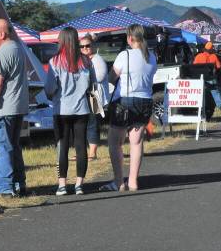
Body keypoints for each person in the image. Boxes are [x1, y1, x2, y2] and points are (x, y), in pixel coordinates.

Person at [103, 24, 156, 192]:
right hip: (145, 101)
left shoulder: (124, 55)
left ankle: (119, 182)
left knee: (114, 142)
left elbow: (112, 78)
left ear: (130, 38)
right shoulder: (152, 56)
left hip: (125, 102)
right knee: (136, 142)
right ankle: (133, 182)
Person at [44, 27, 95, 196]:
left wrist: (52, 94)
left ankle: (62, 185)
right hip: (82, 109)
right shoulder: (87, 61)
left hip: (61, 109)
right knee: (81, 147)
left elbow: (50, 88)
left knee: (63, 147)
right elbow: (91, 85)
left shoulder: (55, 62)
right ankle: (79, 185)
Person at [0, 19, 30, 197]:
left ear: (2, 34)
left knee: (3, 148)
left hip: (3, 109)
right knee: (14, 146)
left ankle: (4, 188)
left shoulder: (1, 54)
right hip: (18, 107)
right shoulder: (18, 49)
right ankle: (19, 184)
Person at [83, 33, 109, 160]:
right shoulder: (85, 60)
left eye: (88, 45)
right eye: (81, 46)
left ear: (93, 46)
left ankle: (92, 153)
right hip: (87, 96)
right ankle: (86, 151)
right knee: (86, 124)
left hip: (95, 97)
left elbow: (99, 77)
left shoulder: (97, 60)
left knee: (92, 124)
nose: (85, 48)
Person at [193, 41, 221, 111]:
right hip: (211, 77)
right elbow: (219, 67)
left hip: (201, 78)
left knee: (201, 93)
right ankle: (220, 106)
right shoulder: (214, 56)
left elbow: (194, 66)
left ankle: (200, 107)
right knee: (215, 91)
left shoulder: (198, 56)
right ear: (211, 49)